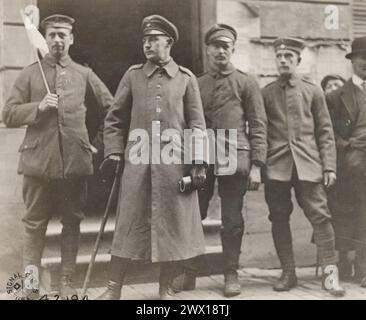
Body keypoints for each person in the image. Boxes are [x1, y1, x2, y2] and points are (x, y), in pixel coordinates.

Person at [2, 14, 113, 299]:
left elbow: (113, 110)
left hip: (74, 164)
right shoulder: (30, 73)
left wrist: (95, 143)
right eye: (52, 34)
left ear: (71, 39)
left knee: (72, 223)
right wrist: (37, 108)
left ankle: (67, 282)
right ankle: (29, 285)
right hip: (37, 163)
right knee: (33, 226)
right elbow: (8, 114)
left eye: (63, 34)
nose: (57, 40)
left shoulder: (84, 74)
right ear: (45, 38)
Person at [97, 14, 207, 300]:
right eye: (145, 39)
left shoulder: (185, 79)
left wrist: (198, 162)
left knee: (172, 228)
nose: (147, 44)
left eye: (154, 39)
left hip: (174, 167)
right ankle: (113, 289)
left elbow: (197, 124)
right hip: (138, 166)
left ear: (168, 43)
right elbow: (115, 120)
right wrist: (114, 151)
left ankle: (165, 289)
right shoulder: (133, 76)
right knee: (127, 226)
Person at [173, 24, 267, 297]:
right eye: (216, 45)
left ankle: (231, 273)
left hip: (234, 157)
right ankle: (189, 273)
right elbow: (187, 123)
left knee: (232, 218)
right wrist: (190, 161)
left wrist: (257, 166)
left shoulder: (246, 82)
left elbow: (259, 125)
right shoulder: (196, 82)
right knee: (193, 215)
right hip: (201, 158)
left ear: (233, 49)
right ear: (208, 48)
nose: (221, 50)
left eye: (226, 46)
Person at [262, 37, 345, 296]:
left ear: (298, 60)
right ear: (276, 60)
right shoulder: (265, 93)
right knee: (278, 217)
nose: (284, 61)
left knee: (321, 217)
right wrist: (259, 164)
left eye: (289, 57)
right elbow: (260, 130)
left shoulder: (313, 91)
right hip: (276, 165)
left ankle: (331, 274)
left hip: (309, 165)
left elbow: (325, 132)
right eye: (280, 57)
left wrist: (329, 167)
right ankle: (288, 272)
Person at [326, 36, 366, 288]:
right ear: (353, 61)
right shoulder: (336, 96)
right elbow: (328, 133)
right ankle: (355, 265)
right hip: (351, 168)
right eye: (363, 58)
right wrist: (350, 145)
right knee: (353, 214)